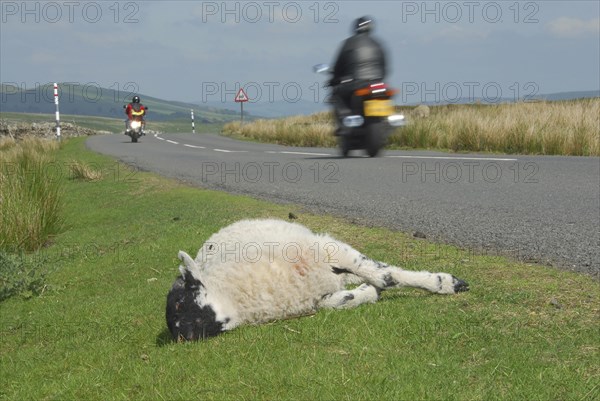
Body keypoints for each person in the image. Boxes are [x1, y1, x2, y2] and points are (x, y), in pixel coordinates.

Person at [330, 16, 388, 125]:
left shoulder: (348, 43)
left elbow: (339, 65)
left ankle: (344, 124)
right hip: (377, 83)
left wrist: (334, 80)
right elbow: (384, 67)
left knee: (336, 95)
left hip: (356, 83)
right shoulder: (378, 43)